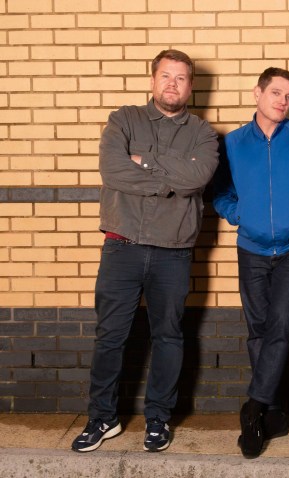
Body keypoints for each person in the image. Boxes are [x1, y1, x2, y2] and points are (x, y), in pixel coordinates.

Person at [71, 50, 220, 453]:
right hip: (122, 248)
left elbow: (198, 177)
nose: (173, 84)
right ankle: (102, 418)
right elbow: (113, 170)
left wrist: (146, 164)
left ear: (191, 85)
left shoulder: (204, 134)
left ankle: (159, 419)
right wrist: (170, 177)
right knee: (110, 337)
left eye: (182, 78)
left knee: (169, 336)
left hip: (174, 252)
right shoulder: (123, 119)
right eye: (166, 76)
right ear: (152, 79)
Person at [212, 67, 289, 459]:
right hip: (252, 248)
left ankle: (253, 409)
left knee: (281, 325)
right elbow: (219, 191)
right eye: (276, 93)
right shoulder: (235, 142)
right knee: (258, 329)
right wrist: (239, 214)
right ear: (257, 93)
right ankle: (273, 409)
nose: (282, 101)